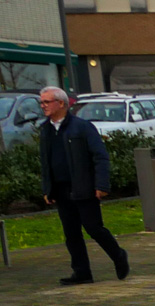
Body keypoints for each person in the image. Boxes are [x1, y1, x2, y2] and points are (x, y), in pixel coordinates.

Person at [36, 87, 128, 286]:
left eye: (46, 102)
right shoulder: (46, 130)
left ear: (61, 103)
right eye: (41, 102)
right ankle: (82, 272)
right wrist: (47, 188)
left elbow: (100, 156)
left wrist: (101, 184)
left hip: (83, 186)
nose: (43, 106)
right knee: (71, 233)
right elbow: (45, 162)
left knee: (94, 228)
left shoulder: (81, 127)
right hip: (60, 189)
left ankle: (118, 255)